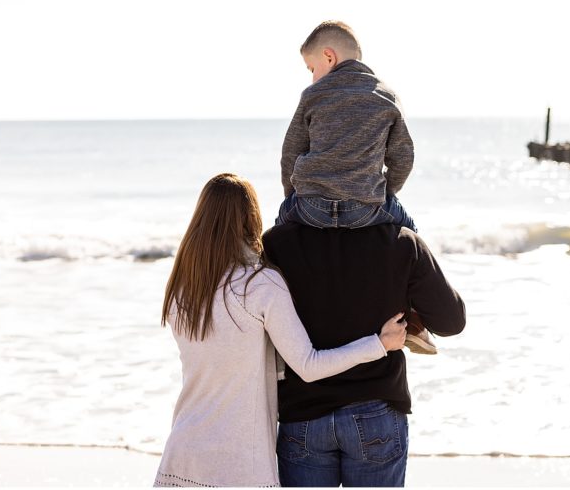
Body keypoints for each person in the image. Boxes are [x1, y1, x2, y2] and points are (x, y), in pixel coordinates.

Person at [153, 173, 407, 488]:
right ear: (250, 219)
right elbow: (308, 365)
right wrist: (379, 343)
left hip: (183, 451)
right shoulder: (259, 284)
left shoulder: (183, 288)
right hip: (239, 462)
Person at [263, 219, 466, 487]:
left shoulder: (275, 242)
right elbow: (451, 322)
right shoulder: (402, 241)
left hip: (303, 413)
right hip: (375, 410)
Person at [276, 20, 436, 356]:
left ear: (329, 57)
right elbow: (403, 157)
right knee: (413, 237)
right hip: (366, 207)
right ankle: (415, 321)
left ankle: (276, 321)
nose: (312, 76)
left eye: (311, 67)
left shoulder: (313, 95)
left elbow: (291, 153)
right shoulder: (385, 95)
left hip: (310, 207)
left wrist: (292, 198)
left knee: (276, 241)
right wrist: (383, 193)